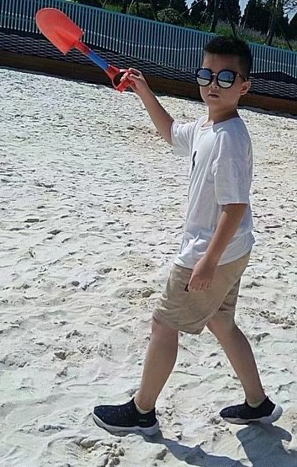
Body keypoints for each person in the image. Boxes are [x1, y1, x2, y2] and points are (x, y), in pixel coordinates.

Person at [92, 35, 282, 436]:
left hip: (210, 251)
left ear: (244, 86)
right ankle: (258, 403)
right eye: (206, 74)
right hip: (234, 249)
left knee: (163, 324)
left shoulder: (229, 139)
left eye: (226, 77)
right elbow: (171, 131)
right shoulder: (207, 126)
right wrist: (143, 90)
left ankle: (142, 411)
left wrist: (207, 262)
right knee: (222, 322)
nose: (214, 84)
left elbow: (235, 206)